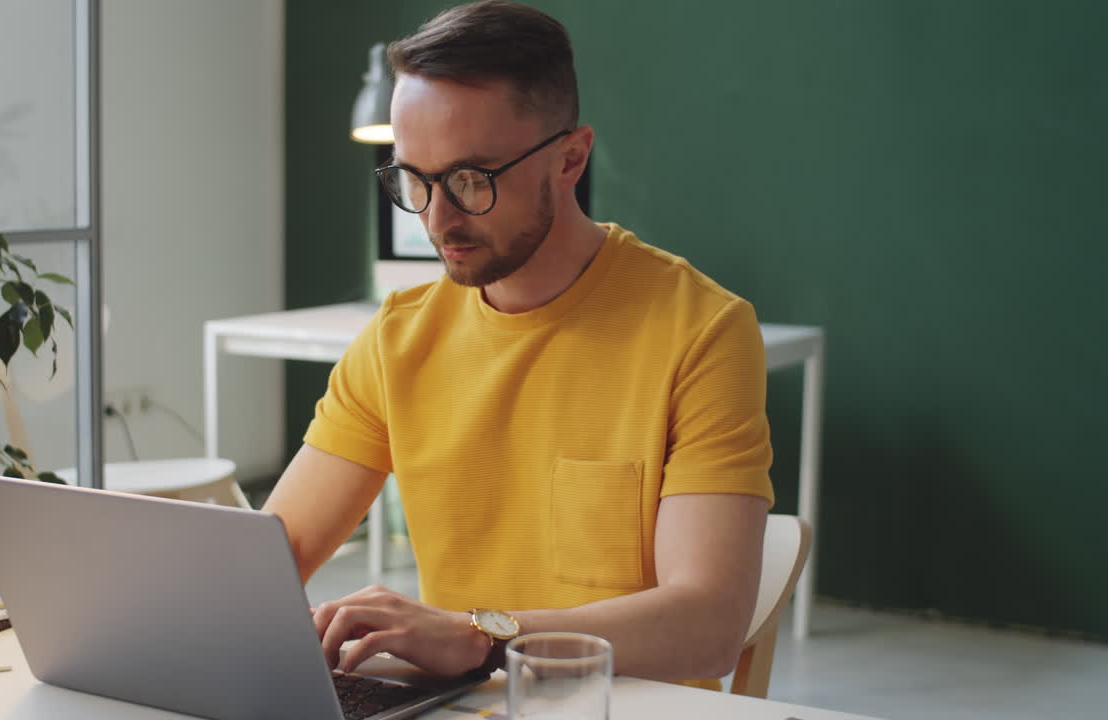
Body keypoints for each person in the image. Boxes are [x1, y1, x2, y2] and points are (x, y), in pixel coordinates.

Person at [263, 0, 773, 690]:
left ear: (570, 159)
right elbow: (273, 555)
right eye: (414, 178)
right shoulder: (398, 338)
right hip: (466, 707)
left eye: (473, 180)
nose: (437, 219)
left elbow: (708, 628)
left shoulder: (701, 333)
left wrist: (477, 637)